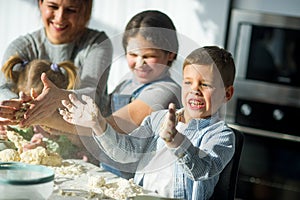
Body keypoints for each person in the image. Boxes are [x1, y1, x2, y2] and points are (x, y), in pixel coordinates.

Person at [59, 46, 237, 199]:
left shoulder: (221, 135)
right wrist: (98, 125)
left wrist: (177, 142)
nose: (195, 90)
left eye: (205, 84)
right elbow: (126, 153)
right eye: (188, 82)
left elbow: (203, 170)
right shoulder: (158, 118)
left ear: (227, 94)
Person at [0, 0, 112, 135]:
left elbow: (94, 94)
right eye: (53, 6)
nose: (59, 17)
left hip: (81, 138)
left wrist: (60, 97)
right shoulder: (22, 47)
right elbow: (3, 87)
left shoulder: (97, 43)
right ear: (40, 4)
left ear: (85, 10)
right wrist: (17, 105)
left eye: (71, 9)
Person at [0, 55, 90, 160]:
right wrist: (5, 130)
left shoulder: (64, 120)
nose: (37, 111)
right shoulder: (20, 120)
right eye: (29, 105)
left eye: (43, 105)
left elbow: (71, 147)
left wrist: (45, 146)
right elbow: (13, 137)